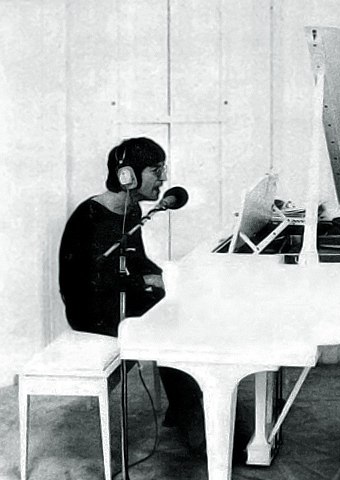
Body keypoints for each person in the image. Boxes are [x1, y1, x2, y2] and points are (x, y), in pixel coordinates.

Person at [58, 137, 205, 452]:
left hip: (119, 296)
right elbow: (88, 281)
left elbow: (136, 260)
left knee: (176, 308)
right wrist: (144, 282)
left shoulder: (132, 209)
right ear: (128, 176)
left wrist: (168, 276)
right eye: (156, 170)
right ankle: (194, 420)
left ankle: (187, 408)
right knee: (169, 321)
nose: (163, 179)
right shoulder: (90, 216)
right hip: (91, 310)